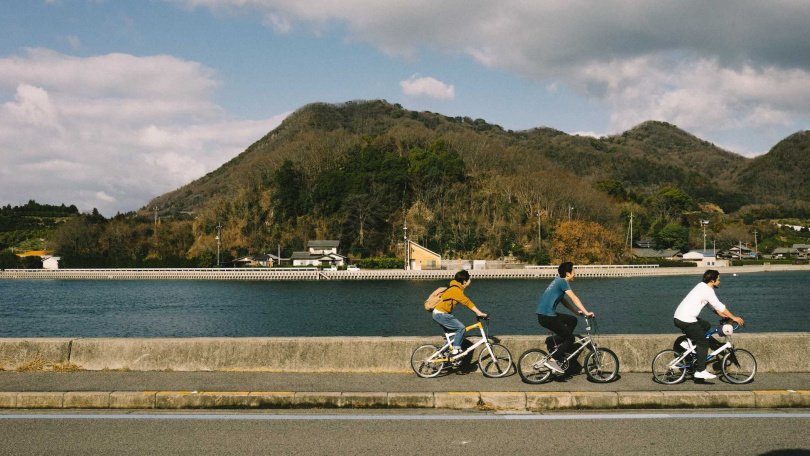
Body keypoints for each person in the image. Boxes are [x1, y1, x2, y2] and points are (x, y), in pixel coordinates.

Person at [673, 269, 744, 380]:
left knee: (706, 325)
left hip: (681, 317)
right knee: (703, 343)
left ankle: (689, 344)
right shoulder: (707, 290)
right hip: (685, 319)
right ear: (712, 280)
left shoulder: (702, 286)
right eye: (718, 279)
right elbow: (719, 305)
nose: (719, 282)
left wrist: (722, 316)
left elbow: (711, 306)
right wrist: (733, 317)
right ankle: (700, 371)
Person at [536, 261, 594, 374]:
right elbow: (574, 298)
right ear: (568, 273)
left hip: (544, 314)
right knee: (570, 338)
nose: (575, 273)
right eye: (573, 270)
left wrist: (575, 312)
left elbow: (563, 300)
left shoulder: (557, 280)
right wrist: (586, 312)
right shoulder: (563, 282)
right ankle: (553, 360)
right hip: (547, 316)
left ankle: (559, 344)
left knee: (572, 320)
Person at [432, 270, 488, 358]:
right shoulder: (456, 290)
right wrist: (479, 313)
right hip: (441, 314)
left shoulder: (455, 288)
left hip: (441, 314)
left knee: (454, 335)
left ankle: (443, 353)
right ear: (464, 281)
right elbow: (467, 302)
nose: (471, 281)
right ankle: (455, 351)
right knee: (461, 328)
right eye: (469, 279)